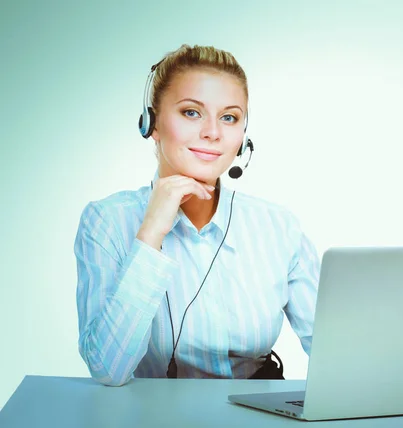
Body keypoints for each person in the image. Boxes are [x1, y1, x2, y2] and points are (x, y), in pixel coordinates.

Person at [74, 44, 320, 386]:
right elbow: (108, 370)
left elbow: (337, 355)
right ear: (152, 123)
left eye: (229, 117)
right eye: (191, 112)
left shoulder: (278, 227)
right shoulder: (107, 221)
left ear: (243, 137)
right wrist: (152, 232)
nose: (213, 132)